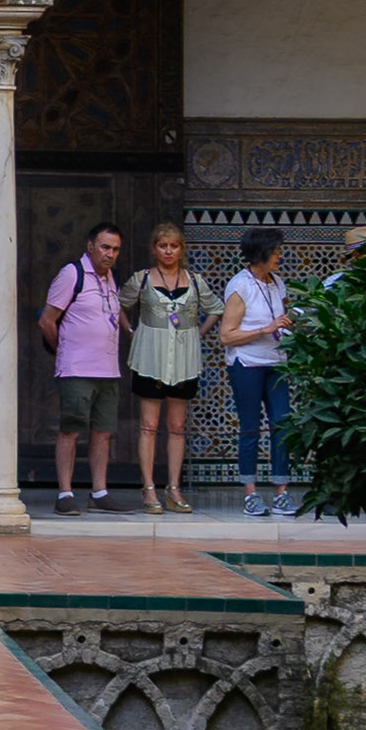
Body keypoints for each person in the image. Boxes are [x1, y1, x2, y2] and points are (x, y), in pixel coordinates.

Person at [39, 219, 127, 506]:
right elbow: (47, 321)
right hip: (77, 369)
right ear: (90, 246)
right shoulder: (72, 274)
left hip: (108, 371)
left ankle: (99, 491)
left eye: (115, 249)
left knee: (102, 432)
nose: (109, 254)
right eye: (104, 247)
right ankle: (65, 492)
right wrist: (62, 350)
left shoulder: (111, 277)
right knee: (71, 429)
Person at [128, 218, 207, 513]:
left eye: (174, 246)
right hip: (150, 359)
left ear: (181, 249)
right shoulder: (142, 279)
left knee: (176, 426)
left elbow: (215, 309)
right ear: (154, 249)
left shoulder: (195, 280)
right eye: (163, 246)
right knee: (148, 425)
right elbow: (120, 304)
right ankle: (148, 488)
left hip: (183, 361)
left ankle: (173, 488)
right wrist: (131, 332)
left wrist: (197, 333)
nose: (169, 251)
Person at [220, 233, 296, 517]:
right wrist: (264, 330)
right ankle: (250, 493)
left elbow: (283, 316)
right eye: (275, 251)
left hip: (276, 361)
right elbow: (226, 336)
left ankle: (281, 491)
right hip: (247, 363)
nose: (279, 256)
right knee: (250, 427)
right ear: (260, 253)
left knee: (282, 424)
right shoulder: (240, 286)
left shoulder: (277, 283)